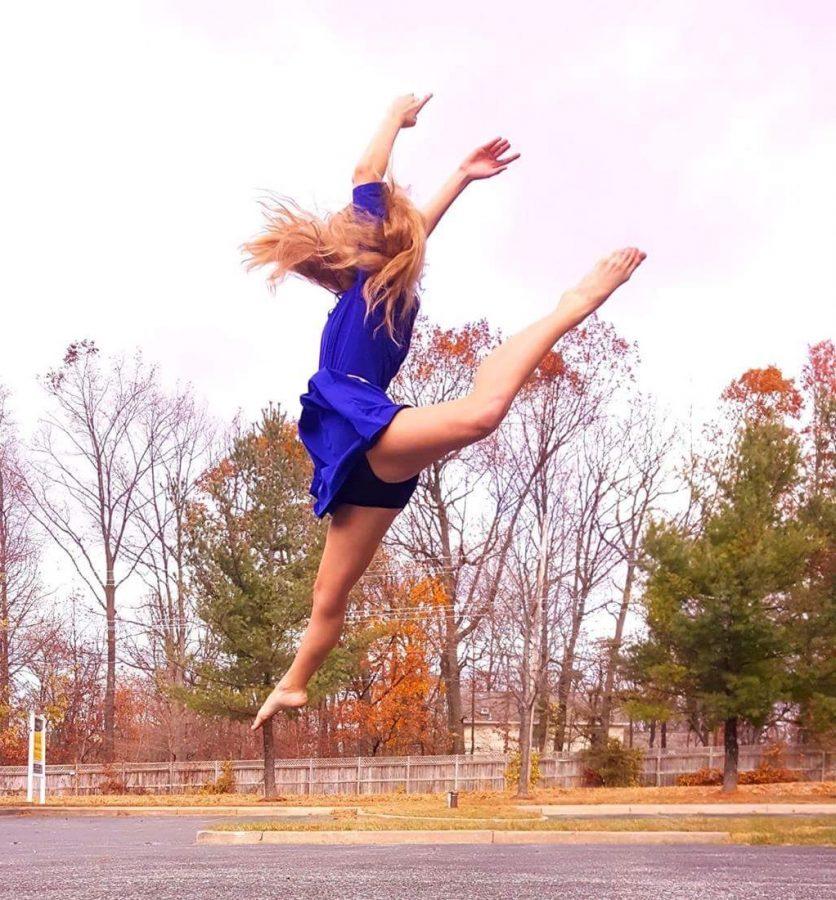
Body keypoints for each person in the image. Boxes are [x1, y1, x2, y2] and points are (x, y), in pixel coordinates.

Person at [244, 94, 645, 730]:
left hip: (371, 435)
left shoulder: (386, 283)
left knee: (483, 414)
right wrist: (399, 127)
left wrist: (451, 170)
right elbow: (367, 179)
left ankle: (574, 304)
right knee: (328, 598)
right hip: (364, 444)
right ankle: (294, 684)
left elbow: (401, 221)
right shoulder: (368, 281)